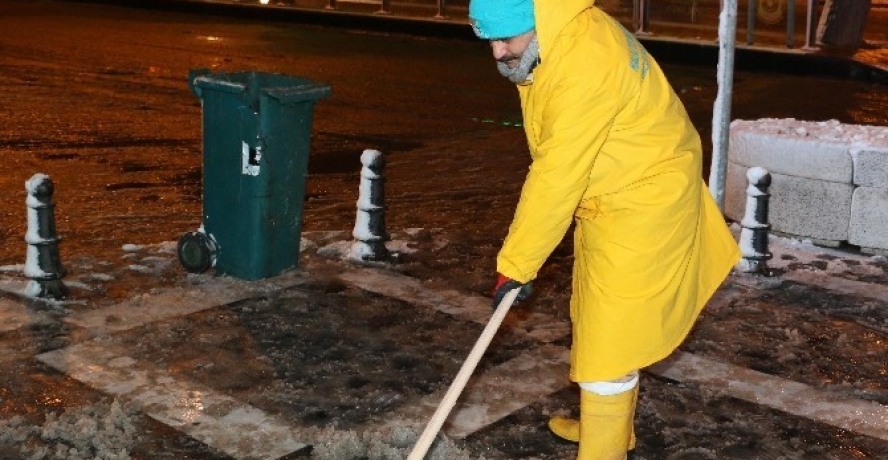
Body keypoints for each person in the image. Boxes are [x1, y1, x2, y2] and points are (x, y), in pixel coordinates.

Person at [469, 0, 741, 458]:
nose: (497, 53)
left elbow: (558, 174)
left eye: (505, 40)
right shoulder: (564, 30)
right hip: (617, 190)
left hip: (643, 202)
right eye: (490, 41)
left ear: (536, 26)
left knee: (608, 345)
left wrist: (517, 265)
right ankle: (607, 425)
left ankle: (605, 447)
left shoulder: (583, 65)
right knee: (598, 320)